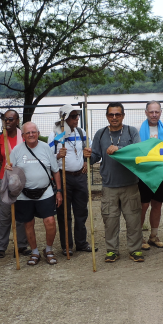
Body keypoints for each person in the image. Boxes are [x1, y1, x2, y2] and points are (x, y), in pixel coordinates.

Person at [84, 103, 144, 263]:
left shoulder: (132, 132)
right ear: (107, 116)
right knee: (110, 221)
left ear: (123, 116)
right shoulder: (100, 134)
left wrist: (119, 149)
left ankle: (135, 250)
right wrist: (88, 155)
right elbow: (96, 157)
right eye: (111, 115)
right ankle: (112, 251)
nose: (114, 117)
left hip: (130, 184)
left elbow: (138, 152)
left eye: (117, 114)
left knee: (133, 220)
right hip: (109, 186)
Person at [8, 122, 63, 266]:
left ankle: (49, 250)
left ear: (38, 133)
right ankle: (35, 252)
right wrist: (8, 169)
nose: (31, 135)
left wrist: (59, 191)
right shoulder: (16, 150)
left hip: (45, 191)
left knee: (50, 221)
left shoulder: (46, 148)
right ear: (23, 135)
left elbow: (55, 171)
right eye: (28, 133)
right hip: (24, 193)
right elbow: (11, 171)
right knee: (28, 223)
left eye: (34, 132)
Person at [47, 105, 93, 256]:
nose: (77, 119)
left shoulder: (81, 132)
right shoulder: (56, 135)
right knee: (64, 213)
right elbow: (48, 158)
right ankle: (67, 245)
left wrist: (86, 160)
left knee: (81, 211)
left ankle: (81, 243)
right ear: (65, 118)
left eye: (77, 116)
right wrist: (58, 156)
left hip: (80, 176)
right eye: (73, 116)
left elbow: (88, 150)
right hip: (63, 177)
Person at [0, 109, 29, 258]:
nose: (8, 122)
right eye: (6, 119)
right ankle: (1, 247)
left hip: (21, 179)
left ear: (17, 121)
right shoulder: (0, 138)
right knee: (4, 214)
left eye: (11, 119)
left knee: (22, 213)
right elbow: (0, 159)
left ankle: (22, 245)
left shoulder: (23, 137)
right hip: (5, 178)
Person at [138, 100, 163, 249]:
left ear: (160, 113)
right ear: (146, 112)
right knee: (143, 205)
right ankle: (139, 237)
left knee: (157, 204)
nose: (154, 114)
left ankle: (153, 235)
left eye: (157, 112)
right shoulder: (138, 130)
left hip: (160, 172)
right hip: (144, 173)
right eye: (151, 112)